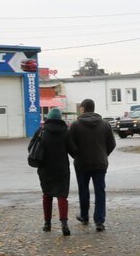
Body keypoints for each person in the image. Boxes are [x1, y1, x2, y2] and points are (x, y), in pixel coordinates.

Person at [68, 98, 116, 231]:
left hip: (81, 164)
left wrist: (76, 155)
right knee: (100, 191)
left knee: (83, 190)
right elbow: (112, 144)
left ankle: (84, 216)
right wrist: (103, 155)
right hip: (100, 164)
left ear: (83, 109)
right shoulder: (105, 124)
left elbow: (70, 145)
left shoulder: (76, 125)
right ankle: (99, 221)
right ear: (93, 108)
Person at [32, 108, 76, 236]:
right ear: (60, 118)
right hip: (62, 169)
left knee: (47, 195)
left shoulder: (41, 131)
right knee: (62, 196)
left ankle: (47, 224)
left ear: (48, 117)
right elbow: (73, 151)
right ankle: (64, 224)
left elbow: (31, 147)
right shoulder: (65, 132)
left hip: (45, 169)